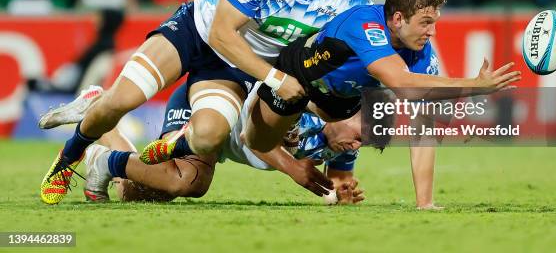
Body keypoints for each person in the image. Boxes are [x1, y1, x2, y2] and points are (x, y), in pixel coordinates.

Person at [39, 0, 372, 205]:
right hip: (197, 32)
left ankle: (137, 146)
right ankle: (67, 159)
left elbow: (352, 66)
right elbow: (220, 34)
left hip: (234, 67)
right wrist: (274, 78)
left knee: (207, 140)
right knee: (120, 102)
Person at [237, 0, 521, 208]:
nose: (432, 32)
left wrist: (425, 203)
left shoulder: (421, 55)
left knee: (358, 130)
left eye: (434, 23)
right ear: (398, 19)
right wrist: (474, 85)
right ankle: (246, 108)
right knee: (256, 140)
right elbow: (402, 83)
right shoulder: (365, 25)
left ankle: (296, 132)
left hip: (339, 105)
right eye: (425, 22)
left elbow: (424, 130)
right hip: (295, 81)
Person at [43, 84, 368, 205]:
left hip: (221, 140)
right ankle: (104, 153)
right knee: (188, 182)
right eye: (360, 132)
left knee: (134, 192)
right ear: (347, 109)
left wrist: (341, 193)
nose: (358, 142)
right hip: (210, 107)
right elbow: (252, 138)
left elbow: (336, 182)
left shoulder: (345, 143)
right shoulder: (303, 102)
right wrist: (293, 167)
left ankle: (101, 118)